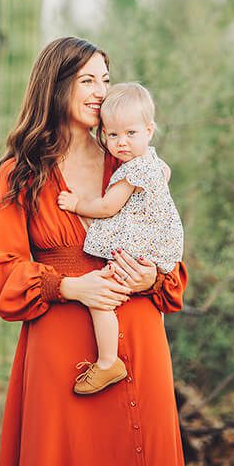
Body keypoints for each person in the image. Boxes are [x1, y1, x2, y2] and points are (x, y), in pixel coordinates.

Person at [0, 37, 188, 466]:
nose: (101, 91)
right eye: (87, 80)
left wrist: (153, 277)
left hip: (138, 330)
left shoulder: (131, 163)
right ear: (55, 88)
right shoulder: (21, 172)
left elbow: (169, 247)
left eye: (106, 80)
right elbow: (4, 272)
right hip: (60, 342)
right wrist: (72, 288)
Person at [53, 83, 185, 395]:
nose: (121, 143)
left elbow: (106, 206)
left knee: (103, 295)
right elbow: (164, 174)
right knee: (148, 306)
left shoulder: (130, 172)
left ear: (149, 130)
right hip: (159, 248)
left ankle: (108, 361)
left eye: (130, 134)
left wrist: (76, 204)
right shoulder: (154, 162)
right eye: (112, 135)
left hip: (137, 249)